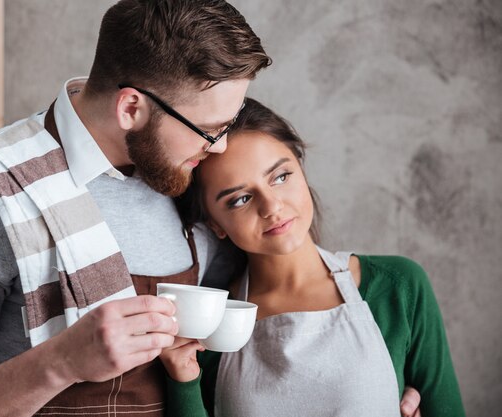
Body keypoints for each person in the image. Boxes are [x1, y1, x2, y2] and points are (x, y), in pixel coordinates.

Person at [0, 1, 270, 416]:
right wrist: (60, 362)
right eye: (209, 130)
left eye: (228, 125)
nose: (221, 146)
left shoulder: (194, 173)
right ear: (131, 108)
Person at [162, 98, 465, 416]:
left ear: (301, 167)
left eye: (280, 177)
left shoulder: (398, 286)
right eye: (241, 199)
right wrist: (183, 382)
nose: (272, 207)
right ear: (215, 224)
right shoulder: (209, 325)